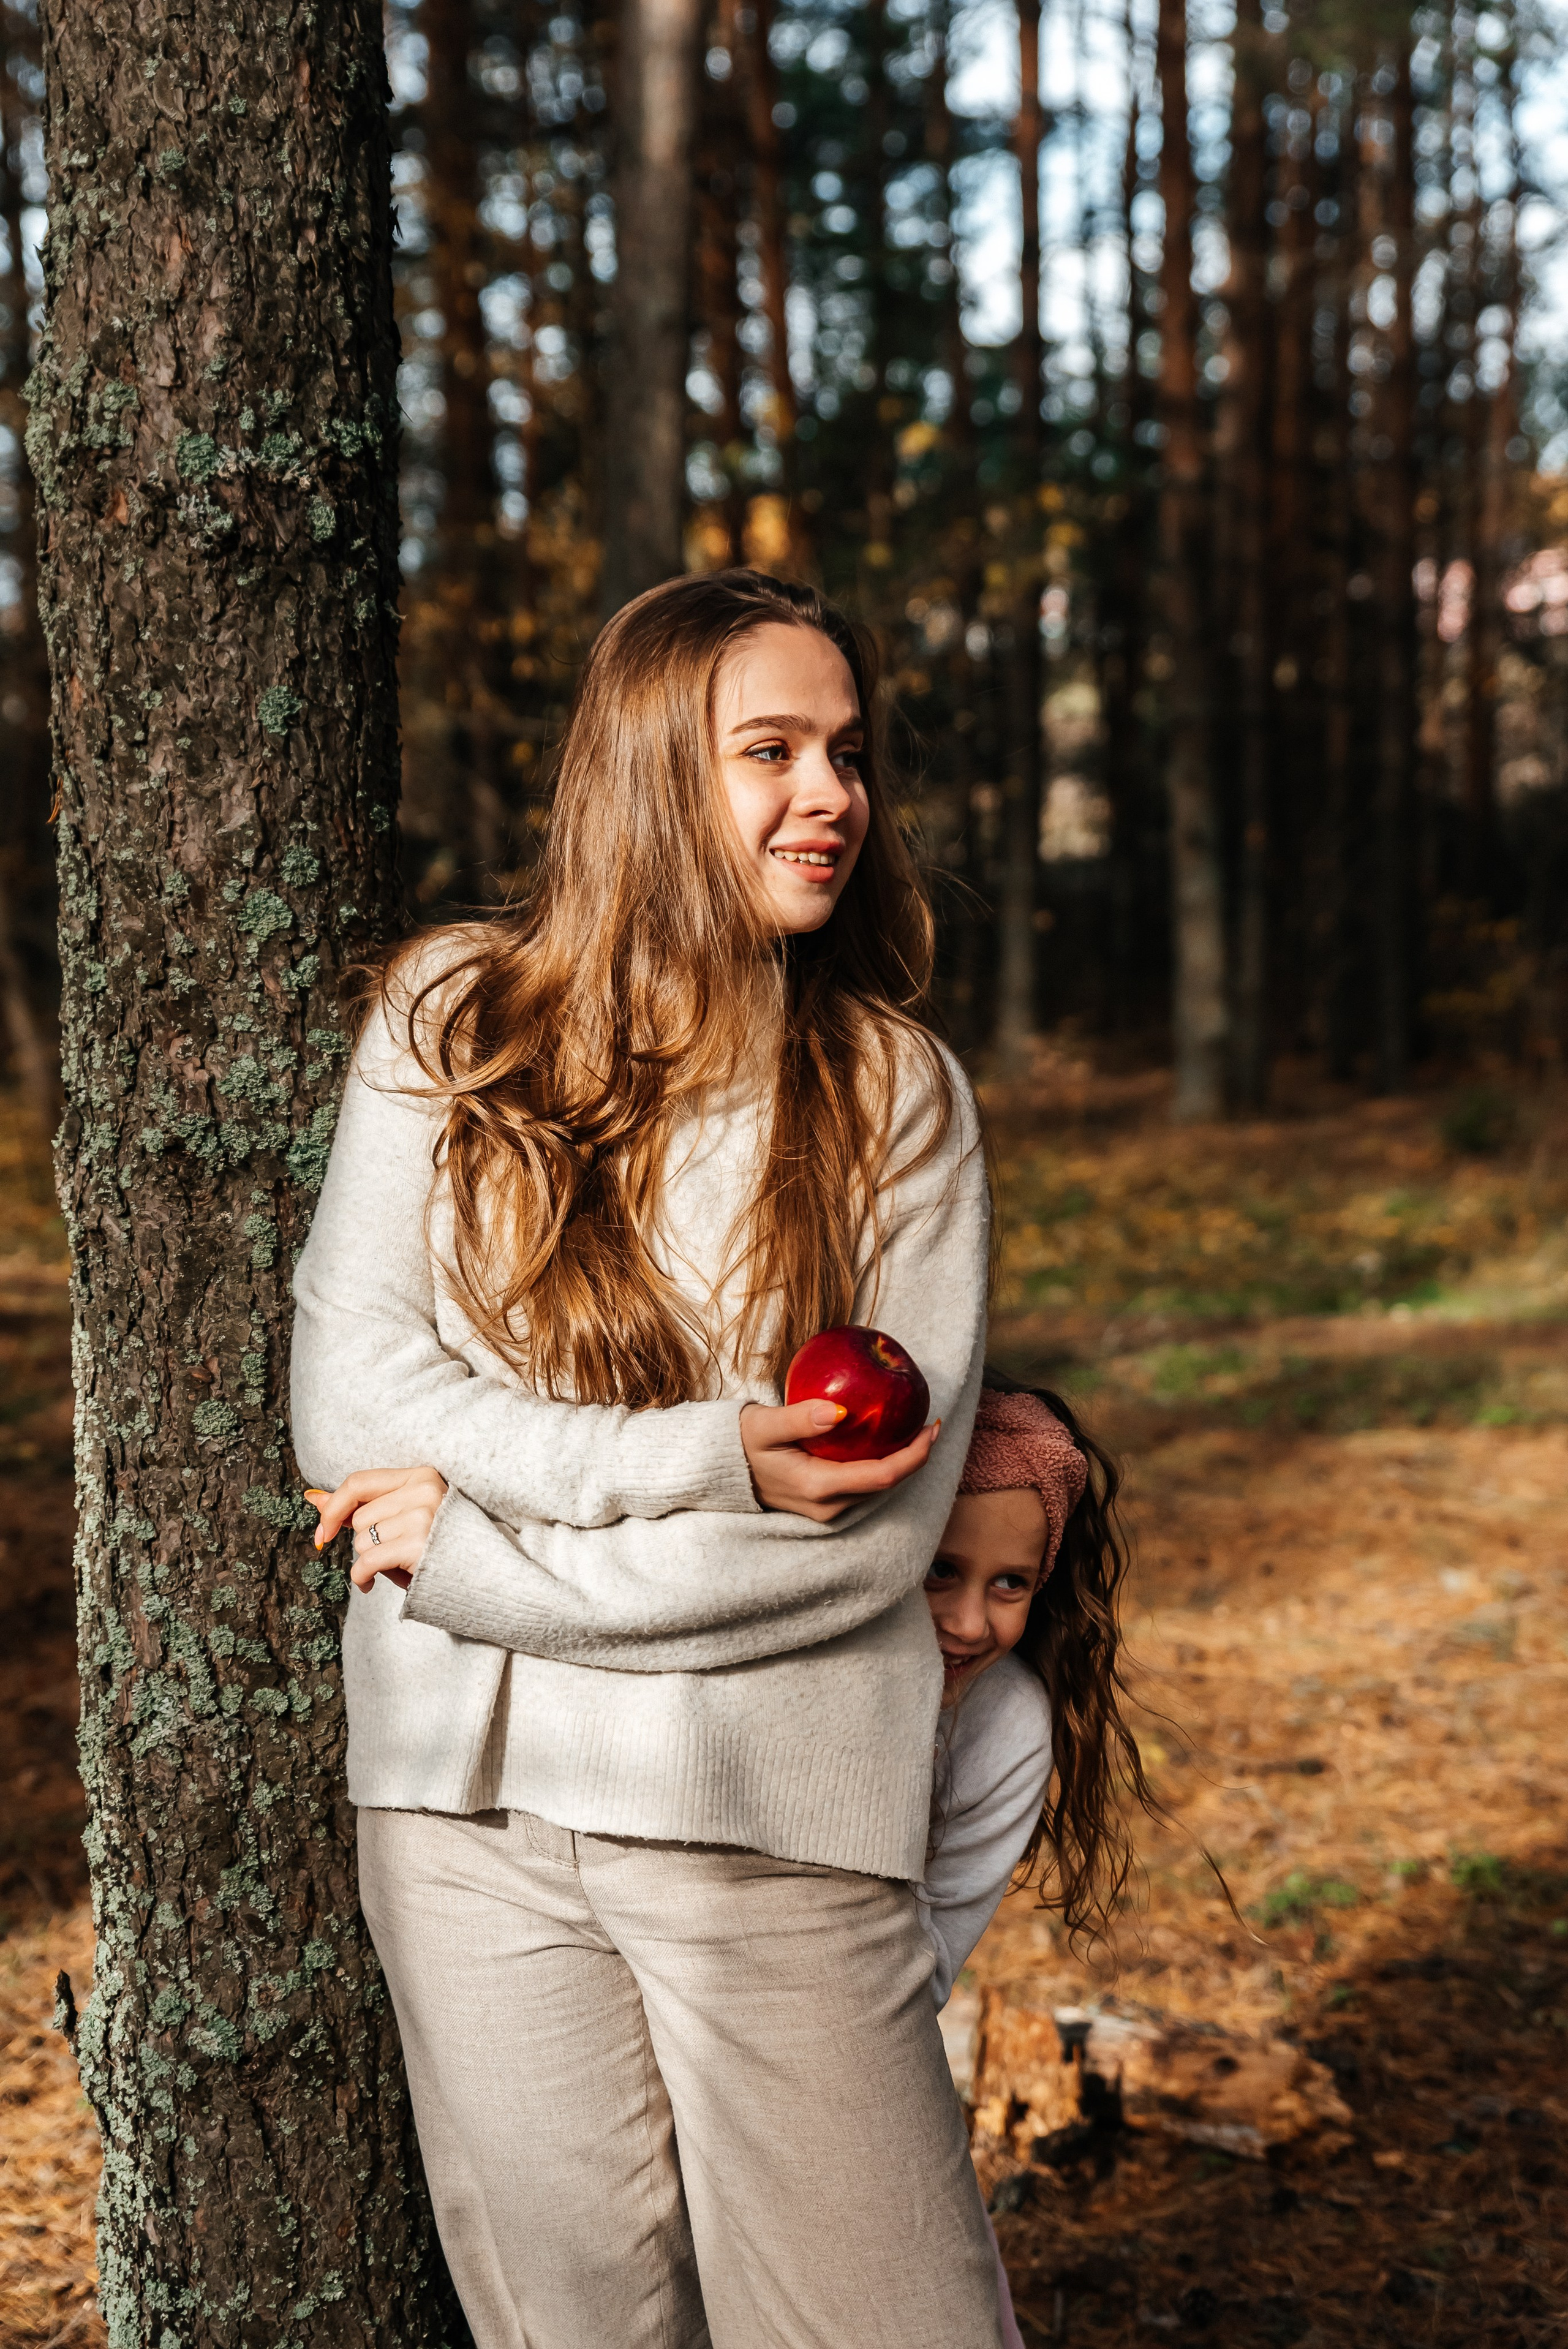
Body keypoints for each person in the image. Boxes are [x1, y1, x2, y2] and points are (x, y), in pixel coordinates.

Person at [293, 570, 1008, 2347]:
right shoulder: (450, 1020)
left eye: (846, 752)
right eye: (771, 749)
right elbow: (356, 1403)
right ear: (644, 776)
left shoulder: (889, 1092)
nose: (832, 793)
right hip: (466, 1824)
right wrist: (711, 1458)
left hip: (770, 1810)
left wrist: (473, 1564)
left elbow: (848, 1548)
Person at [915, 1372, 1152, 2349]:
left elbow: (927, 1961)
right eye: (941, 1570)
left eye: (1008, 1585)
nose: (971, 1621)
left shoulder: (1006, 1722)